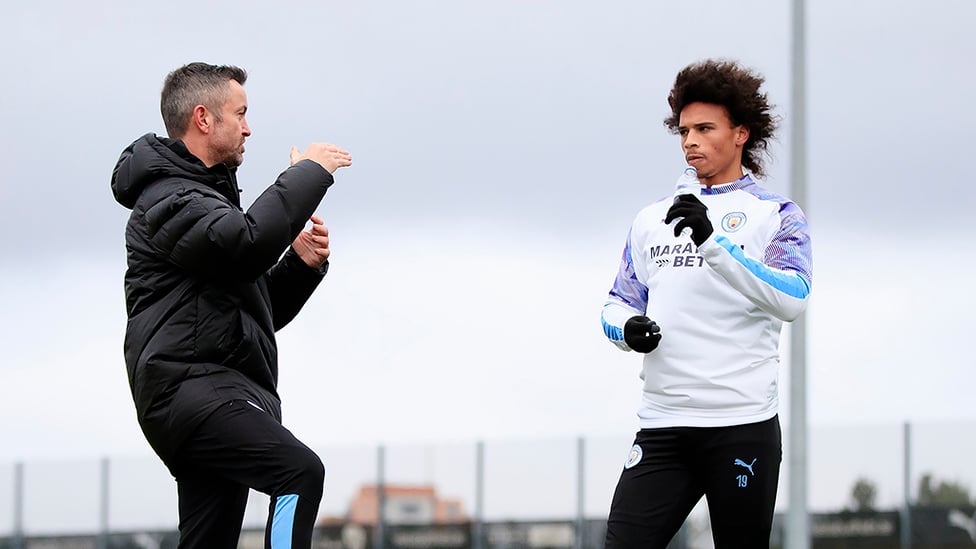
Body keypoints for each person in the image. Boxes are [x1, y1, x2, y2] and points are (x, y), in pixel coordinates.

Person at [110, 62, 352, 549]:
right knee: (298, 473)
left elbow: (254, 315)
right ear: (203, 118)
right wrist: (307, 174)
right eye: (239, 113)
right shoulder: (169, 200)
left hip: (211, 391)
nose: (248, 126)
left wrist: (300, 265)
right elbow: (248, 243)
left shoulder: (202, 201)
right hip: (191, 390)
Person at [600, 59, 812, 548]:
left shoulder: (775, 214)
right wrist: (628, 328)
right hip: (663, 426)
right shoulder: (651, 219)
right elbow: (615, 304)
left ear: (740, 133)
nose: (689, 140)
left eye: (704, 128)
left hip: (742, 426)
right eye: (683, 130)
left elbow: (792, 298)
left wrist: (714, 242)